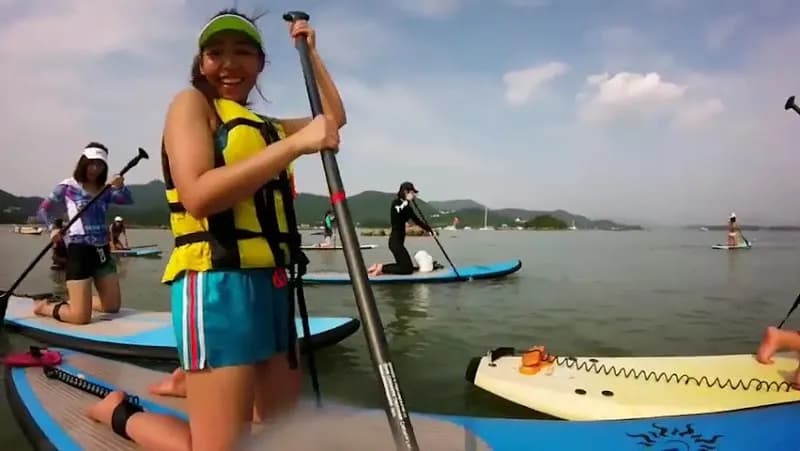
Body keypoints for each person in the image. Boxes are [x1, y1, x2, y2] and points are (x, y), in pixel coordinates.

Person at [85, 9, 346, 449]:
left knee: (282, 433)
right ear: (201, 63)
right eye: (216, 53)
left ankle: (192, 380)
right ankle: (117, 411)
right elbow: (200, 196)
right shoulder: (191, 105)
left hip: (276, 285)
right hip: (216, 284)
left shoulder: (269, 127)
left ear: (261, 64)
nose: (229, 63)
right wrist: (297, 144)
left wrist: (312, 55)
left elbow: (333, 120)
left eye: (243, 52)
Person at [33, 142, 133, 324]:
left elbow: (128, 200)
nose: (95, 168)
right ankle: (44, 307)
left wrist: (120, 186)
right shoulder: (67, 186)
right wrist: (52, 228)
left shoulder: (106, 190)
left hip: (102, 251)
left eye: (100, 164)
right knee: (80, 318)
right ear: (83, 163)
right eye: (91, 163)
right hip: (79, 251)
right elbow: (42, 210)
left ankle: (77, 302)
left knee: (112, 307)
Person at [367, 181, 434, 276]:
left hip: (399, 241)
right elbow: (398, 211)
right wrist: (407, 201)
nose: (414, 195)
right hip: (395, 242)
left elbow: (417, 220)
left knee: (406, 267)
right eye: (412, 192)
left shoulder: (408, 208)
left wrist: (429, 229)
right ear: (406, 192)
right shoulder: (396, 203)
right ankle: (381, 268)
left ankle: (378, 266)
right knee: (406, 269)